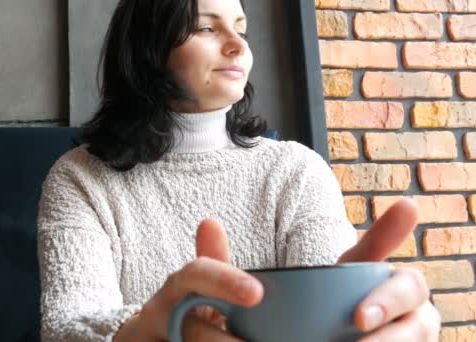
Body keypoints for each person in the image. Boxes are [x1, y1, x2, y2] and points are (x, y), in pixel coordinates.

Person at [37, 0, 441, 340]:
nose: (237, 46)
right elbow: (66, 327)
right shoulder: (80, 177)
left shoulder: (296, 170)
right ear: (149, 48)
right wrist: (148, 328)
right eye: (207, 29)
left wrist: (348, 315)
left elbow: (323, 319)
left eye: (241, 31)